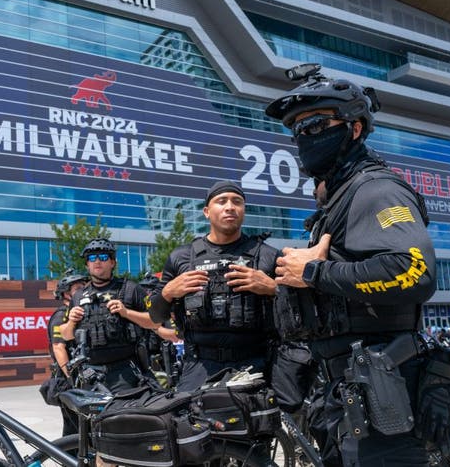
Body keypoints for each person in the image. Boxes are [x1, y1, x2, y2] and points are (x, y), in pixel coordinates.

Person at [268, 65, 438, 466]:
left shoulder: (376, 189)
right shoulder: (340, 196)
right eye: (297, 129)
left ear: (354, 129)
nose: (303, 137)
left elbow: (414, 270)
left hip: (381, 390)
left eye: (315, 125)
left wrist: (312, 273)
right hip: (346, 388)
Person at [148, 181, 280, 392]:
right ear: (207, 212)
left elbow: (298, 313)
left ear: (243, 210)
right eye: (221, 201)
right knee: (188, 422)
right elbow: (155, 316)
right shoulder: (181, 257)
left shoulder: (267, 255)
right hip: (198, 367)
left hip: (257, 364)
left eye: (237, 202)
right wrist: (168, 292)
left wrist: (274, 288)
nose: (230, 207)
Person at [59, 238, 158, 393]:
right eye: (92, 258)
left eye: (103, 257)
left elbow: (155, 322)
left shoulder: (131, 289)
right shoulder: (78, 296)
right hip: (91, 375)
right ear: (87, 264)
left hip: (126, 373)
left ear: (113, 262)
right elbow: (65, 335)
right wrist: (71, 321)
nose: (97, 261)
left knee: (126, 416)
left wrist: (126, 313)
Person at [43, 269, 88, 435]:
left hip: (81, 378)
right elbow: (58, 347)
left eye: (84, 287)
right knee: (74, 430)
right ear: (66, 293)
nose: (82, 291)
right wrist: (71, 377)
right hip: (68, 380)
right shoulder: (61, 315)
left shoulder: (78, 313)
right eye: (77, 288)